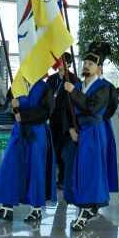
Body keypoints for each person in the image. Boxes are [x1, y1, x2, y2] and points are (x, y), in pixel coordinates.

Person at [0, 63, 57, 224]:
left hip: (36, 133)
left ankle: (36, 209)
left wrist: (22, 114)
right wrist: (13, 107)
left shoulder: (45, 88)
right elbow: (6, 105)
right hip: (18, 133)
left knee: (35, 169)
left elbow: (46, 112)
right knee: (10, 166)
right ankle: (6, 208)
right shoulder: (18, 85)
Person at [64, 41, 119, 231]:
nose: (86, 66)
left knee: (92, 169)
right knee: (77, 170)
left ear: (99, 68)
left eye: (91, 64)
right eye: (85, 63)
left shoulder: (104, 87)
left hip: (94, 132)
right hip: (77, 133)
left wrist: (74, 92)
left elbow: (92, 107)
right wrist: (70, 129)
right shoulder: (77, 85)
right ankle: (85, 204)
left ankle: (88, 207)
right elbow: (66, 110)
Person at [44, 52, 79, 188]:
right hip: (52, 118)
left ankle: (63, 179)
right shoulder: (51, 79)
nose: (58, 63)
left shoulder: (73, 79)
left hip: (66, 119)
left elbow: (76, 100)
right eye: (58, 60)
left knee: (64, 150)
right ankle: (52, 178)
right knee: (53, 149)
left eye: (62, 61)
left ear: (68, 64)